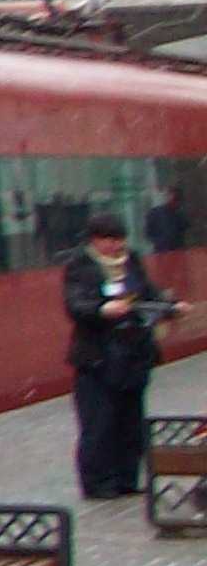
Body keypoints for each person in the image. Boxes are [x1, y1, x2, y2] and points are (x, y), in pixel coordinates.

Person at [66, 213, 179, 498]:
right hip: (98, 357)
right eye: (110, 241)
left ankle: (127, 479)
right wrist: (102, 310)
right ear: (95, 240)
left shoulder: (132, 261)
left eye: (121, 240)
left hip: (133, 354)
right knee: (99, 423)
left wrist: (171, 307)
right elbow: (76, 305)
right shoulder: (80, 266)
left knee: (131, 422)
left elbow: (148, 294)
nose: (117, 247)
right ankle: (98, 482)